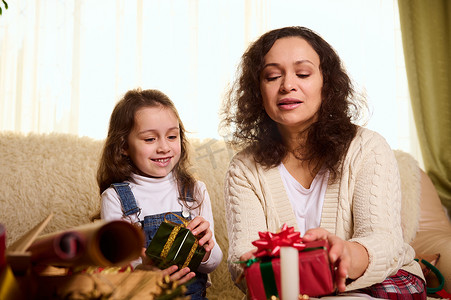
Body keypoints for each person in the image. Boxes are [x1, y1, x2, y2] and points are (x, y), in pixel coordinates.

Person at [221, 26, 426, 299]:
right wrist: (256, 270)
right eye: (272, 76)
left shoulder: (367, 148)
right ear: (258, 91)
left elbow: (384, 241)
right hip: (286, 292)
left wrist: (346, 254)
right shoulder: (243, 168)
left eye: (303, 73)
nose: (287, 85)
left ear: (326, 84)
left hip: (373, 283)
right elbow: (241, 261)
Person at [98, 88, 222, 299]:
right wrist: (143, 271)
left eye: (172, 136)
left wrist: (207, 250)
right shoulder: (115, 198)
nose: (164, 147)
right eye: (149, 139)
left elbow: (213, 263)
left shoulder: (195, 191)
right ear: (123, 146)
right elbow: (116, 270)